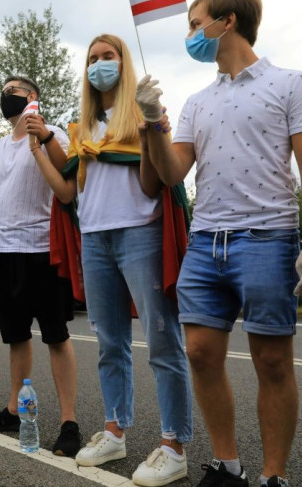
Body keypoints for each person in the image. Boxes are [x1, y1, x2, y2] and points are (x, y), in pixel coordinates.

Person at [137, 0, 302, 487]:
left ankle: (273, 476)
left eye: (195, 25)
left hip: (267, 238)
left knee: (273, 360)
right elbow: (172, 173)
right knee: (200, 352)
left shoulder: (291, 83)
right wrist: (152, 123)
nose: (190, 35)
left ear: (226, 22)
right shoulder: (197, 101)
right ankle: (227, 465)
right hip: (205, 241)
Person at [30, 34, 193, 486]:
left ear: (124, 62)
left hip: (141, 233)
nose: (100, 65)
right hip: (96, 239)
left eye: (108, 57)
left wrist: (149, 127)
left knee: (162, 341)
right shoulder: (81, 128)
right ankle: (115, 431)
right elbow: (68, 193)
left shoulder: (142, 113)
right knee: (109, 344)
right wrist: (41, 148)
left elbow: (150, 186)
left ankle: (173, 444)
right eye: (93, 59)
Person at [0, 75, 81, 457]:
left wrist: (45, 140)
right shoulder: (1, 146)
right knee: (16, 337)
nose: (6, 97)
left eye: (13, 92)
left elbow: (67, 178)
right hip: (4, 251)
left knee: (56, 336)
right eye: (2, 92)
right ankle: (13, 410)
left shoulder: (53, 133)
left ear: (32, 97)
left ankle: (68, 423)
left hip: (42, 248)